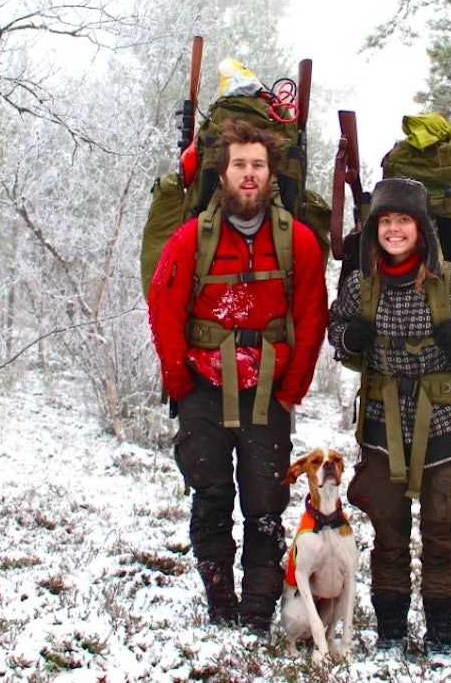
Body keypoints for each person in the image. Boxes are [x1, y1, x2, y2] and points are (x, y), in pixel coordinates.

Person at [148, 118, 329, 634]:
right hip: (202, 387)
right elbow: (164, 308)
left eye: (258, 165)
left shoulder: (299, 242)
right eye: (239, 165)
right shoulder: (190, 239)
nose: (248, 175)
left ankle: (256, 612)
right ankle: (220, 601)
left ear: (272, 175)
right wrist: (179, 383)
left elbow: (312, 317)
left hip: (269, 391)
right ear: (222, 173)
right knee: (209, 495)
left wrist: (290, 390)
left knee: (265, 504)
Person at [327, 177, 451, 657]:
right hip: (379, 420)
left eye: (404, 220)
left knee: (440, 531)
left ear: (422, 229)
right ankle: (390, 633)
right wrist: (351, 339)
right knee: (388, 531)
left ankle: (440, 637)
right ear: (375, 231)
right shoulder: (360, 285)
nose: (394, 229)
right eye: (386, 221)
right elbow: (335, 326)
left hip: (444, 421)